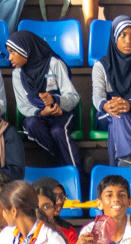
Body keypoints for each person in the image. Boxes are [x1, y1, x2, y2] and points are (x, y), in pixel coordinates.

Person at [6, 30, 80, 170]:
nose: (9, 58)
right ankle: (62, 161)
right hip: (38, 114)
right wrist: (41, 113)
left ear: (25, 49)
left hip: (61, 113)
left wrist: (56, 100)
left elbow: (73, 97)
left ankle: (77, 174)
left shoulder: (54, 63)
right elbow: (23, 105)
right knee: (31, 125)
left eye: (13, 52)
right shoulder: (17, 73)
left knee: (58, 131)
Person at [92, 16, 131, 169]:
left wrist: (128, 104)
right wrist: (106, 106)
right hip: (106, 114)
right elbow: (97, 96)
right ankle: (130, 158)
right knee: (118, 115)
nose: (129, 40)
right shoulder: (101, 66)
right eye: (123, 35)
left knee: (119, 119)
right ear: (114, 38)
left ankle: (120, 165)